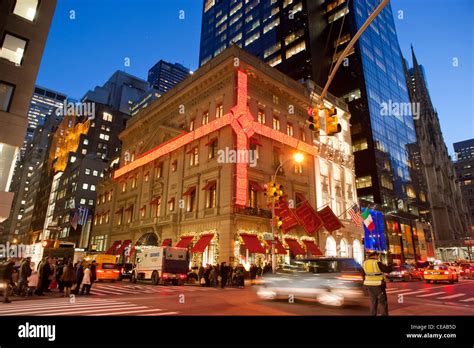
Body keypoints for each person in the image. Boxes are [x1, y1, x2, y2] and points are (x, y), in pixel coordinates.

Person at [362, 251, 392, 316]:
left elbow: (363, 275)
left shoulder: (364, 263)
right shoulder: (377, 263)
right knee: (382, 302)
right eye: (377, 256)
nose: (377, 257)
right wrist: (390, 265)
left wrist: (365, 284)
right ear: (375, 256)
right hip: (378, 285)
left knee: (373, 302)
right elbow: (387, 270)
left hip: (369, 285)